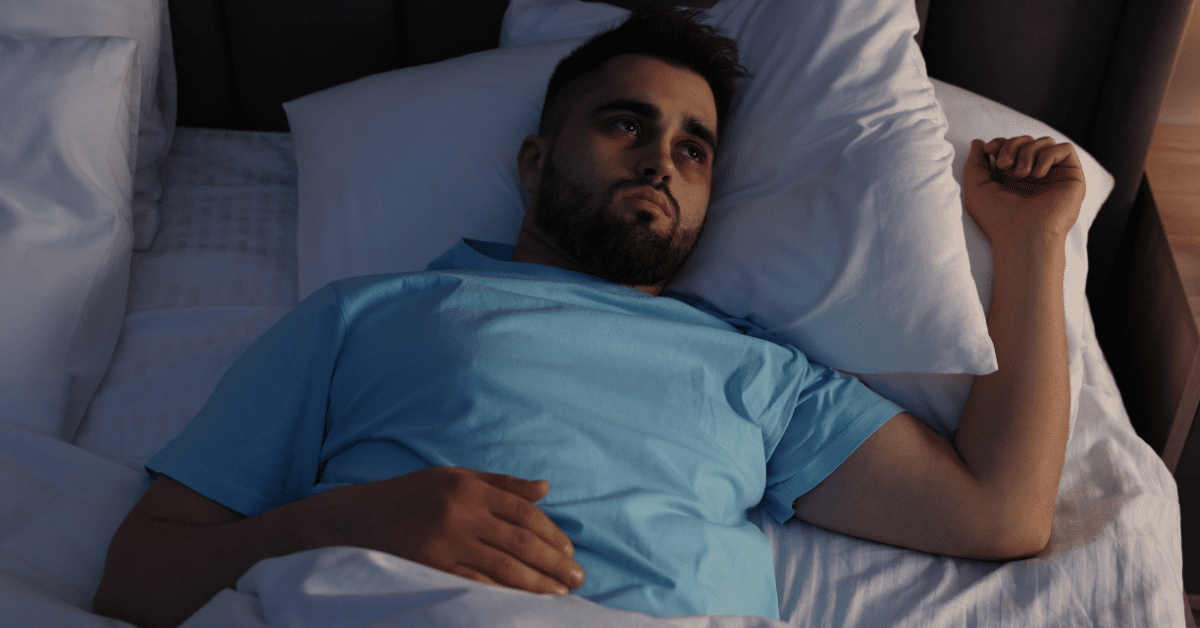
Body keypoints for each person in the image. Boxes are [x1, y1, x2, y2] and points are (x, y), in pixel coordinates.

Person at [93, 7, 1084, 628]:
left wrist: (1031, 244)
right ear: (533, 162)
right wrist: (352, 520)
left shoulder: (763, 374)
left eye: (694, 150)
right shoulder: (364, 314)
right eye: (626, 123)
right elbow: (138, 578)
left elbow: (1000, 511)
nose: (662, 159)